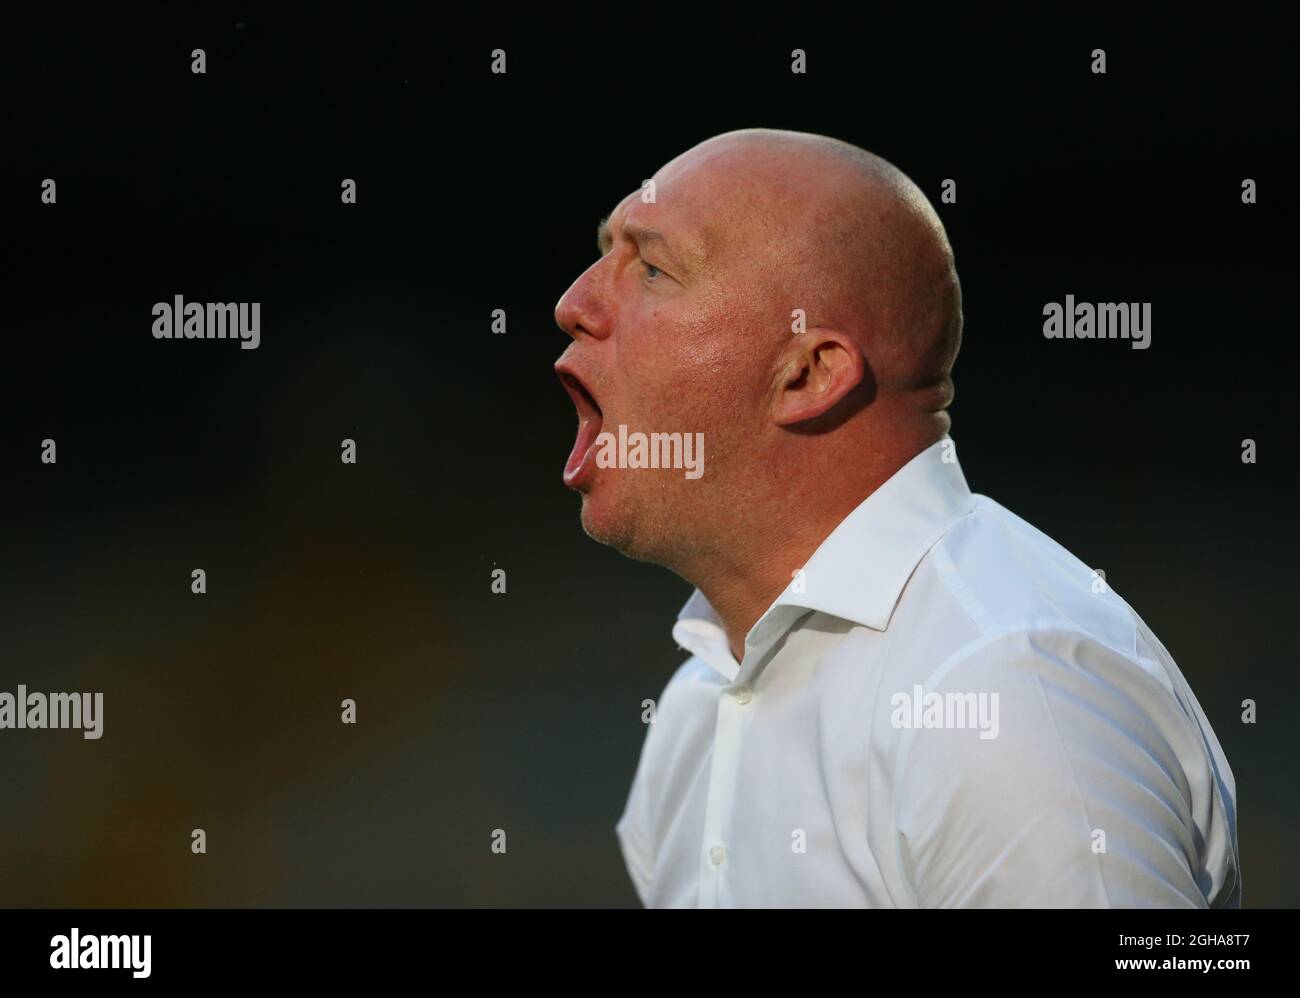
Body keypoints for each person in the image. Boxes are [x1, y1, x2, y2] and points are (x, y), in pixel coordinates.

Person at [552, 128, 1240, 908]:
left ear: (809, 374)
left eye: (650, 267)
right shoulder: (696, 710)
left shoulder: (1009, 691)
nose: (573, 303)